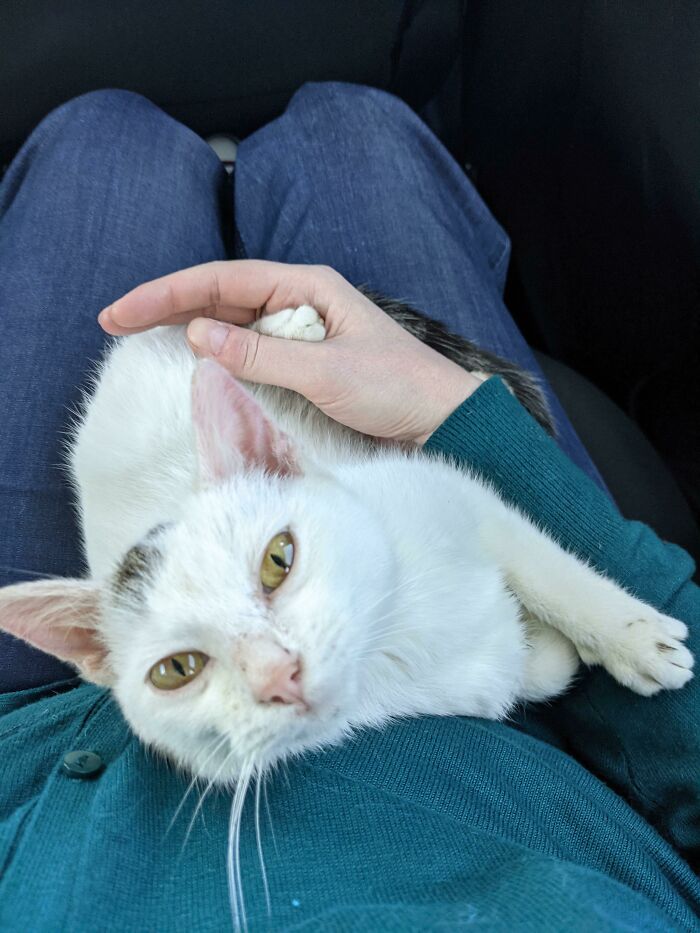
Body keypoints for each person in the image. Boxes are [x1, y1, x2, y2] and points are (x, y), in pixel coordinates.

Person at [0, 83, 697, 932]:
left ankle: (210, 171)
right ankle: (252, 171)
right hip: (527, 740)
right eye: (183, 669)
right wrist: (462, 421)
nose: (276, 675)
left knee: (101, 133)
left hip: (40, 750)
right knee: (352, 125)